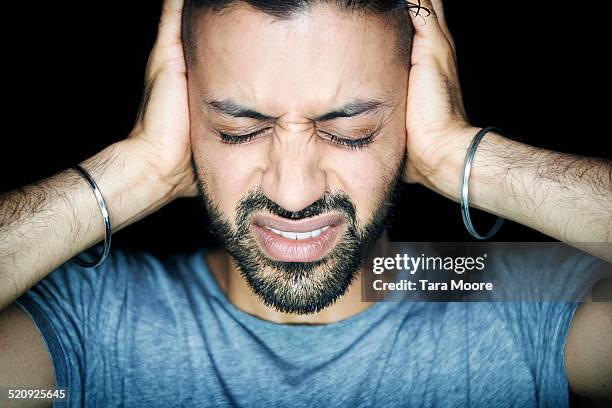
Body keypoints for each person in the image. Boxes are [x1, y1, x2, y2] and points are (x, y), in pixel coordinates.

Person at [0, 0, 610, 406]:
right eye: (239, 129)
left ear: (414, 109)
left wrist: (461, 157)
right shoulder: (89, 327)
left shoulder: (497, 291)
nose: (294, 193)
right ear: (184, 114)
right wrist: (133, 173)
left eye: (351, 129)